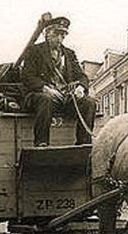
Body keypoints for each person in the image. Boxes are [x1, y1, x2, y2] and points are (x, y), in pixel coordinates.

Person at [22, 16, 96, 147]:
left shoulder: (69, 54)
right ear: (47, 33)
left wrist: (81, 87)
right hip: (39, 97)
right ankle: (41, 143)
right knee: (46, 100)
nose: (60, 38)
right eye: (57, 34)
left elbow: (82, 76)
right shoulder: (34, 51)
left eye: (63, 35)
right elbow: (27, 77)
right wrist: (46, 88)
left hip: (63, 98)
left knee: (88, 102)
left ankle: (83, 145)